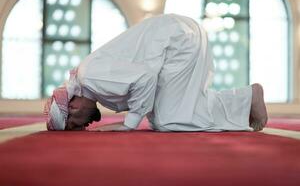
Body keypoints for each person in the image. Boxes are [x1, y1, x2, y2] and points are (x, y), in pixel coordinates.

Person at [44, 13, 268, 132]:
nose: (84, 126)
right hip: (177, 39)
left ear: (72, 107)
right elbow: (143, 81)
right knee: (173, 113)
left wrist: (128, 125)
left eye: (75, 124)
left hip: (177, 42)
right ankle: (245, 102)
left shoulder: (89, 77)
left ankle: (248, 97)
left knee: (168, 120)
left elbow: (145, 77)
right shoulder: (89, 79)